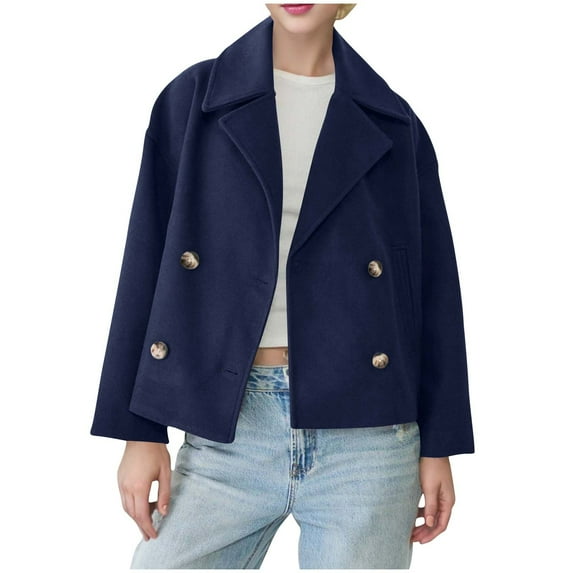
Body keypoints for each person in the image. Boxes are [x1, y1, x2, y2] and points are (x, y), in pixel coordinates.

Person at [90, 3, 475, 569]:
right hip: (227, 424)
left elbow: (433, 289)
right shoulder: (194, 100)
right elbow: (147, 261)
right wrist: (138, 429)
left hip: (367, 440)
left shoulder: (395, 122)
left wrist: (440, 443)